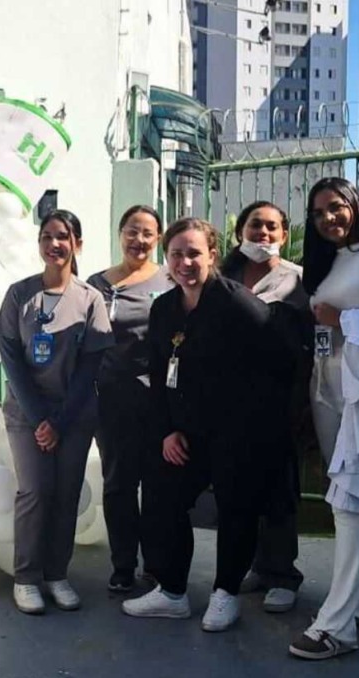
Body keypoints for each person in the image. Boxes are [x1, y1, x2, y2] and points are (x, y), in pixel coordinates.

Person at [122, 218, 295, 632]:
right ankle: (172, 591)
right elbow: (160, 368)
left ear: (212, 255)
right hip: (184, 430)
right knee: (163, 496)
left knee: (236, 508)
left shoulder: (237, 303)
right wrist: (167, 429)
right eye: (177, 253)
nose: (185, 262)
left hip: (237, 431)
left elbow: (282, 359)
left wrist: (257, 421)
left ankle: (225, 593)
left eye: (194, 253)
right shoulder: (164, 307)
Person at [289, 177, 359, 660]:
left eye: (335, 207)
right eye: (317, 214)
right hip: (330, 392)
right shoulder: (329, 263)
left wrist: (348, 321)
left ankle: (336, 627)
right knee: (346, 502)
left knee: (350, 503)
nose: (328, 219)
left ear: (355, 204)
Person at [0, 210, 114, 615]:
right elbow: (10, 357)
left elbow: (89, 367)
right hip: (27, 415)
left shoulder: (90, 299)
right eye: (47, 236)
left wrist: (59, 422)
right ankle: (26, 577)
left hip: (74, 416)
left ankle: (56, 574)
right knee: (35, 491)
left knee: (65, 493)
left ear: (77, 244)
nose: (54, 244)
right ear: (39, 243)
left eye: (63, 236)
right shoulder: (19, 295)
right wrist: (40, 418)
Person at [221, 201, 312, 614]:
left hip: (279, 400)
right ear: (241, 230)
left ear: (285, 235)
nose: (264, 233)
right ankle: (255, 566)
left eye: (273, 227)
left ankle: (283, 574)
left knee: (279, 489)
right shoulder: (223, 277)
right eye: (256, 225)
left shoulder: (299, 281)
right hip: (231, 401)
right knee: (241, 489)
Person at [86, 205, 172, 592]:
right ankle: (123, 564)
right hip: (112, 397)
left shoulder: (170, 279)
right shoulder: (96, 284)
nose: (139, 240)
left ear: (158, 239)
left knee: (156, 483)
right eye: (132, 231)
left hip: (158, 397)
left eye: (148, 233)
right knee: (118, 483)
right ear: (120, 234)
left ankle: (155, 564)